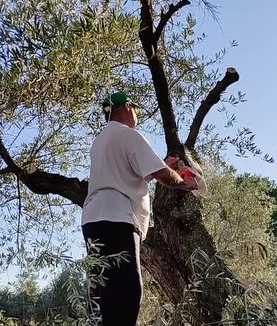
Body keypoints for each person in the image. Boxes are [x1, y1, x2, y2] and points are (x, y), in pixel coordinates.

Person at [81, 91, 197, 326]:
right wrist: (184, 182)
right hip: (117, 217)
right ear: (125, 107)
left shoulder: (100, 141)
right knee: (127, 291)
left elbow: (127, 174)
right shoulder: (128, 135)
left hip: (93, 218)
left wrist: (163, 166)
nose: (136, 113)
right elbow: (163, 176)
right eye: (134, 107)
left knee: (103, 292)